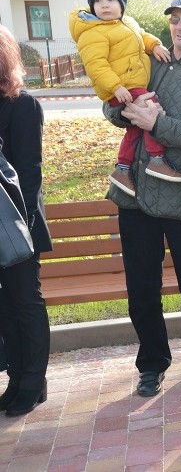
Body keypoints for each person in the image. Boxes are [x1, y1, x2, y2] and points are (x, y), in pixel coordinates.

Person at [103, 0, 181, 397]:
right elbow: (112, 102)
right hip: (135, 194)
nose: (180, 26)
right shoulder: (149, 61)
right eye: (175, 19)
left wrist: (158, 122)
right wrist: (122, 111)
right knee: (141, 285)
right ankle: (152, 363)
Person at [69, 0, 179, 197]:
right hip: (122, 87)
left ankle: (122, 168)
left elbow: (141, 36)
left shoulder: (127, 23)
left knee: (135, 128)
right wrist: (116, 86)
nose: (104, 4)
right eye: (98, 0)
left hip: (130, 84)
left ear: (121, 3)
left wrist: (154, 45)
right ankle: (157, 159)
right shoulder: (93, 32)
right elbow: (95, 66)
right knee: (152, 111)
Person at [0, 24, 52, 417]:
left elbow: (29, 173)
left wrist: (26, 226)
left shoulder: (22, 103)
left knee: (24, 302)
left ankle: (34, 380)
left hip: (16, 224)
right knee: (5, 306)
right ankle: (17, 379)